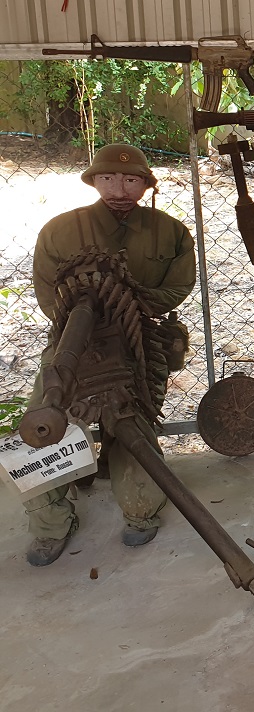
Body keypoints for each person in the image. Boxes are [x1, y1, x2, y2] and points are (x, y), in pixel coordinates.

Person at [24, 144, 195, 566]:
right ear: (94, 181)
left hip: (140, 345)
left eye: (130, 179)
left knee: (133, 427)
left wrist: (133, 303)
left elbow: (178, 286)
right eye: (108, 179)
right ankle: (50, 526)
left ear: (145, 184)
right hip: (72, 346)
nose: (119, 188)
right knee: (44, 428)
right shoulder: (60, 231)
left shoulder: (169, 231)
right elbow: (48, 294)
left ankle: (141, 511)